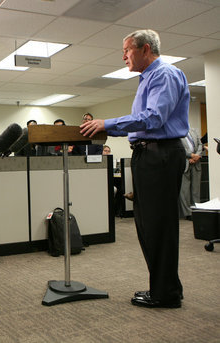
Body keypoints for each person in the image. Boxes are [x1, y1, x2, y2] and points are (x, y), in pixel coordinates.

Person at [80, 29, 189, 309]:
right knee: (149, 226)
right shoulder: (147, 79)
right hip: (149, 155)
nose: (123, 55)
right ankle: (165, 287)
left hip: (160, 155)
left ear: (145, 49)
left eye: (127, 49)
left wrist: (108, 124)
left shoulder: (163, 74)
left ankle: (165, 294)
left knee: (158, 226)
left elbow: (153, 118)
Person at [179, 128, 203, 220]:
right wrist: (191, 155)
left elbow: (200, 144)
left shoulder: (193, 131)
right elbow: (179, 147)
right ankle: (188, 213)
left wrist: (197, 156)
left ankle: (197, 211)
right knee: (184, 190)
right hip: (185, 162)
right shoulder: (178, 132)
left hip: (196, 163)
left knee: (196, 189)